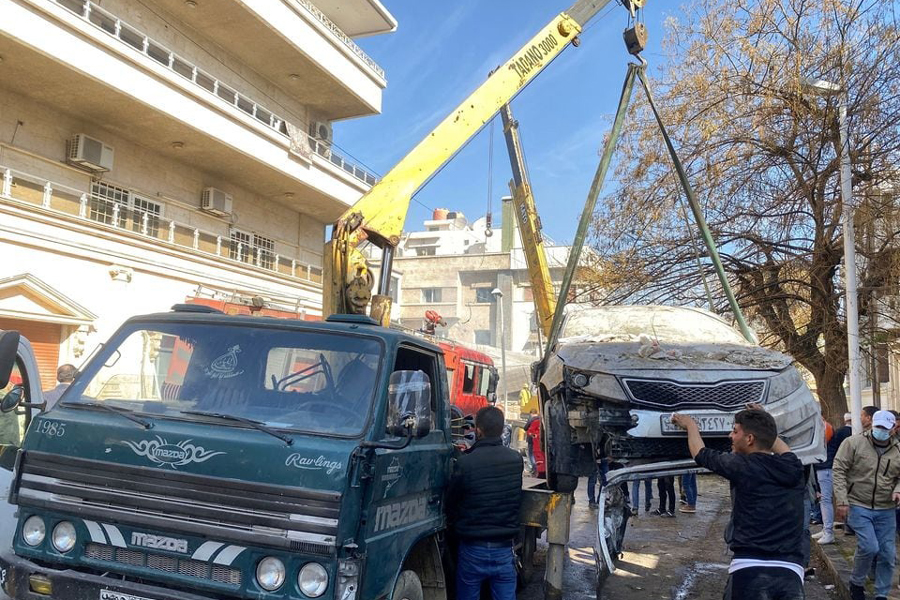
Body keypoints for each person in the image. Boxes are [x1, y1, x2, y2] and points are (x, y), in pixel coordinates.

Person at [671, 405, 805, 600]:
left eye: (734, 431)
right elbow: (782, 448)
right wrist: (763, 420)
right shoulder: (793, 466)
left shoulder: (741, 465)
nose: (730, 436)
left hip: (748, 569)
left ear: (749, 439)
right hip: (790, 570)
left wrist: (690, 425)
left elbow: (700, 453)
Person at [448, 406, 523, 600]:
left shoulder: (466, 463)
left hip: (472, 549)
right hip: (504, 549)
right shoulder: (516, 460)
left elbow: (451, 501)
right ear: (501, 429)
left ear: (478, 430)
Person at [832, 410, 900, 600]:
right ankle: (857, 581)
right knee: (869, 546)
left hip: (886, 507)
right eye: (878, 427)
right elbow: (838, 470)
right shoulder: (853, 443)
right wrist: (842, 500)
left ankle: (881, 593)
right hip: (858, 503)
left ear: (893, 429)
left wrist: (898, 489)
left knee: (887, 553)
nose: (881, 431)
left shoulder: (898, 450)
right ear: (872, 425)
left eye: (885, 428)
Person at [812, 415, 852, 545]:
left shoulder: (823, 428)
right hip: (824, 466)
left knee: (825, 500)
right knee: (825, 500)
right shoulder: (825, 428)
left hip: (826, 468)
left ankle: (828, 531)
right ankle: (827, 530)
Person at [523, 409, 539, 475]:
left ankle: (534, 468)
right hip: (538, 439)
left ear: (531, 413)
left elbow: (525, 428)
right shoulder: (541, 418)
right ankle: (537, 467)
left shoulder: (531, 419)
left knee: (531, 454)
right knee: (537, 454)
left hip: (531, 439)